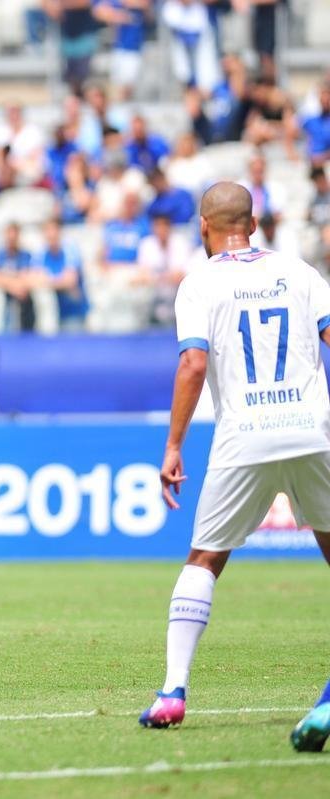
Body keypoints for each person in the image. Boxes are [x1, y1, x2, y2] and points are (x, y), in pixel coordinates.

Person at [141, 182, 330, 748]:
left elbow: (193, 364)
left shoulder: (200, 282)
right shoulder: (300, 273)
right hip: (311, 431)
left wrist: (173, 445)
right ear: (254, 222)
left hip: (245, 436)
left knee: (204, 558)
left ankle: (173, 691)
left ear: (204, 226)